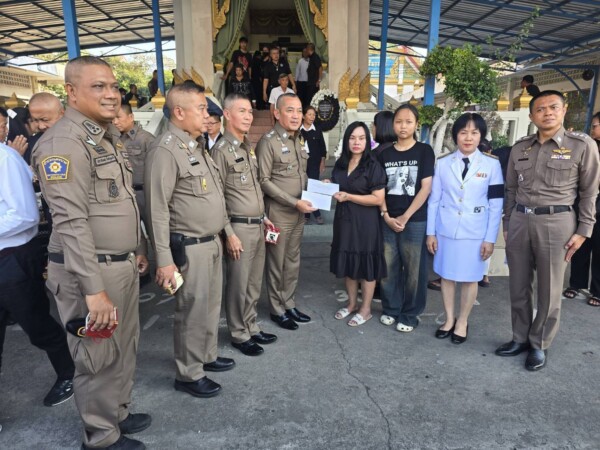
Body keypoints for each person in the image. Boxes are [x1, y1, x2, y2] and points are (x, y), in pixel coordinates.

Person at [32, 55, 150, 450]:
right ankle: (100, 437)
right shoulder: (63, 142)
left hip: (120, 265)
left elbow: (121, 201)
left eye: (113, 86)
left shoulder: (105, 136)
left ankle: (117, 413)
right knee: (97, 357)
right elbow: (71, 222)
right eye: (98, 86)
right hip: (90, 272)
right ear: (71, 91)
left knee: (124, 346)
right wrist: (93, 290)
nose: (111, 94)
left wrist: (137, 247)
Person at [496, 90, 600, 371]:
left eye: (553, 107)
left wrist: (584, 230)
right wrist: (508, 223)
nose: (547, 113)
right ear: (532, 116)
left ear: (563, 111)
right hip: (520, 220)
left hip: (557, 222)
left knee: (550, 288)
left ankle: (539, 343)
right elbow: (511, 189)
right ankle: (519, 337)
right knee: (518, 285)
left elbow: (589, 192)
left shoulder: (582, 145)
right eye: (540, 109)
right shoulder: (520, 148)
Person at [145, 82, 235, 399]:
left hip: (210, 242)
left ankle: (206, 355)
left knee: (210, 306)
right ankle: (188, 373)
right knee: (192, 311)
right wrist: (164, 260)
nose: (206, 114)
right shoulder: (166, 150)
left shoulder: (195, 146)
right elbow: (156, 209)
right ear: (179, 112)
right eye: (201, 108)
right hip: (189, 246)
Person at [0, 140, 76, 408]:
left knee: (37, 324)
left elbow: (25, 215)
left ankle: (69, 374)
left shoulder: (5, 159)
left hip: (12, 259)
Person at [426, 113, 504, 344]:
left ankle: (462, 321)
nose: (468, 138)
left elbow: (496, 204)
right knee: (447, 276)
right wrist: (431, 232)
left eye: (474, 133)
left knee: (470, 278)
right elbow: (434, 200)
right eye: (463, 132)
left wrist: (490, 238)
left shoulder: (492, 165)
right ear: (455, 136)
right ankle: (449, 319)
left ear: (481, 136)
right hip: (446, 230)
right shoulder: (443, 163)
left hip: (475, 233)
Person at [212, 93, 278, 356]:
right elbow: (218, 197)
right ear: (227, 114)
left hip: (257, 224)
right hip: (238, 227)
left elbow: (253, 189)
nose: (249, 116)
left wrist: (264, 217)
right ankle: (239, 333)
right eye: (242, 111)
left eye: (250, 112)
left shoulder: (247, 147)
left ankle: (251, 325)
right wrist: (228, 233)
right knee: (238, 284)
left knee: (252, 282)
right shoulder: (221, 151)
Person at [256, 93, 315, 330]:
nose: (296, 115)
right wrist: (293, 201)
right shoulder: (268, 142)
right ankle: (277, 309)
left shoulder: (299, 139)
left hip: (298, 213)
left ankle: (289, 303)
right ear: (277, 113)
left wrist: (316, 188)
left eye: (299, 111)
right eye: (290, 110)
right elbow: (263, 180)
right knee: (276, 263)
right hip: (278, 214)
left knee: (292, 261)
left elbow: (301, 174)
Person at [377, 105, 435, 332]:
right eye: (399, 121)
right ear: (393, 124)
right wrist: (386, 215)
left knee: (414, 270)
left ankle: (410, 314)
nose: (403, 126)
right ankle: (391, 309)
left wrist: (405, 216)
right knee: (389, 266)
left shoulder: (424, 151)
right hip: (388, 219)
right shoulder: (384, 154)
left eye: (409, 122)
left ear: (416, 124)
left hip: (415, 219)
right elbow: (379, 188)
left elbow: (426, 187)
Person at [331, 122, 387, 326]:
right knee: (348, 263)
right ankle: (352, 304)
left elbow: (378, 199)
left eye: (361, 138)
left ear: (367, 141)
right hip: (344, 221)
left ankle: (366, 309)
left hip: (366, 223)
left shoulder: (373, 166)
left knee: (366, 265)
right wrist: (329, 186)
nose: (356, 142)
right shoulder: (341, 164)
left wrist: (349, 196)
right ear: (346, 140)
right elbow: (339, 187)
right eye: (352, 138)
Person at [562, 111, 600, 306]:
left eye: (595, 126)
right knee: (580, 245)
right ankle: (576, 283)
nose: (592, 129)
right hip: (584, 204)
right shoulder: (586, 147)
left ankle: (598, 291)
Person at [113, 103, 155, 223]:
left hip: (144, 194)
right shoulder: (114, 139)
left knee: (153, 230)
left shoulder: (146, 139)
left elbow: (157, 169)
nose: (115, 122)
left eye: (118, 117)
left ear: (131, 117)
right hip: (123, 195)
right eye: (113, 118)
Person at [300, 105, 327, 225]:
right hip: (301, 162)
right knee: (304, 187)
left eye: (314, 115)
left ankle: (314, 214)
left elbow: (323, 148)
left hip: (314, 163)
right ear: (303, 116)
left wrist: (322, 162)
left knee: (313, 187)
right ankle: (308, 213)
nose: (312, 117)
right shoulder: (298, 130)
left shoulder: (317, 129)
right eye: (310, 114)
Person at [27, 92, 65, 163]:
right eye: (36, 120)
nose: (41, 126)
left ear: (61, 114)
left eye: (45, 120)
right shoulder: (32, 143)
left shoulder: (78, 136)